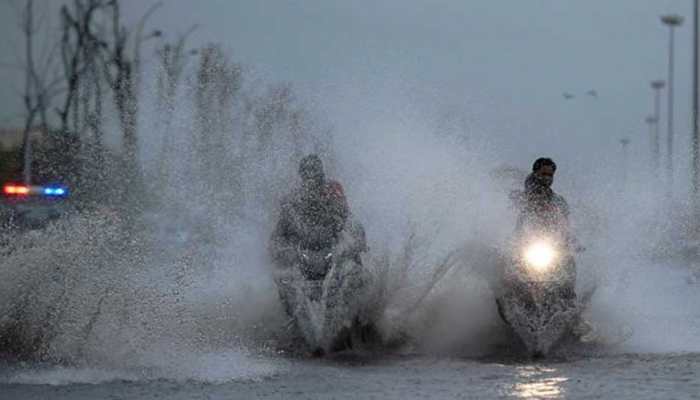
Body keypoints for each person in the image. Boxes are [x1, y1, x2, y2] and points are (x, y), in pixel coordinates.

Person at [270, 154, 365, 278]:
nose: (311, 176)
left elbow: (345, 213)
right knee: (283, 269)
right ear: (302, 175)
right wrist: (277, 247)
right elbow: (283, 224)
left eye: (313, 171)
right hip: (305, 244)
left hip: (332, 240)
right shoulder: (295, 196)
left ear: (320, 172)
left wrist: (354, 238)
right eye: (307, 172)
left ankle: (360, 282)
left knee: (352, 262)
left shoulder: (332, 188)